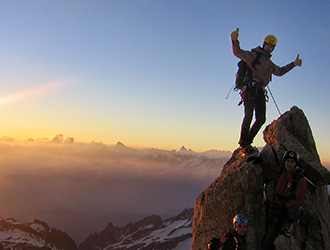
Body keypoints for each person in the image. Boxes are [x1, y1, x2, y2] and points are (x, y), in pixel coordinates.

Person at [230, 28, 302, 151]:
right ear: (264, 44)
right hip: (249, 90)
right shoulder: (254, 55)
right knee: (249, 116)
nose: (270, 47)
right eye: (268, 45)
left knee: (261, 119)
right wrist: (234, 40)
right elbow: (238, 52)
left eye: (272, 46)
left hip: (259, 91)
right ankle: (243, 143)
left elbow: (279, 71)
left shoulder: (269, 63)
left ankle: (247, 141)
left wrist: (293, 64)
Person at [247, 150, 307, 250]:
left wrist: (286, 205)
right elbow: (271, 166)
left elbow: (300, 200)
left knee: (275, 226)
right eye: (287, 161)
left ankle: (287, 227)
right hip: (277, 204)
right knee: (267, 220)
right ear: (284, 162)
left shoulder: (299, 180)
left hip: (288, 208)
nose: (289, 164)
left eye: (292, 162)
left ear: (296, 164)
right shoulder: (282, 172)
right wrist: (259, 160)